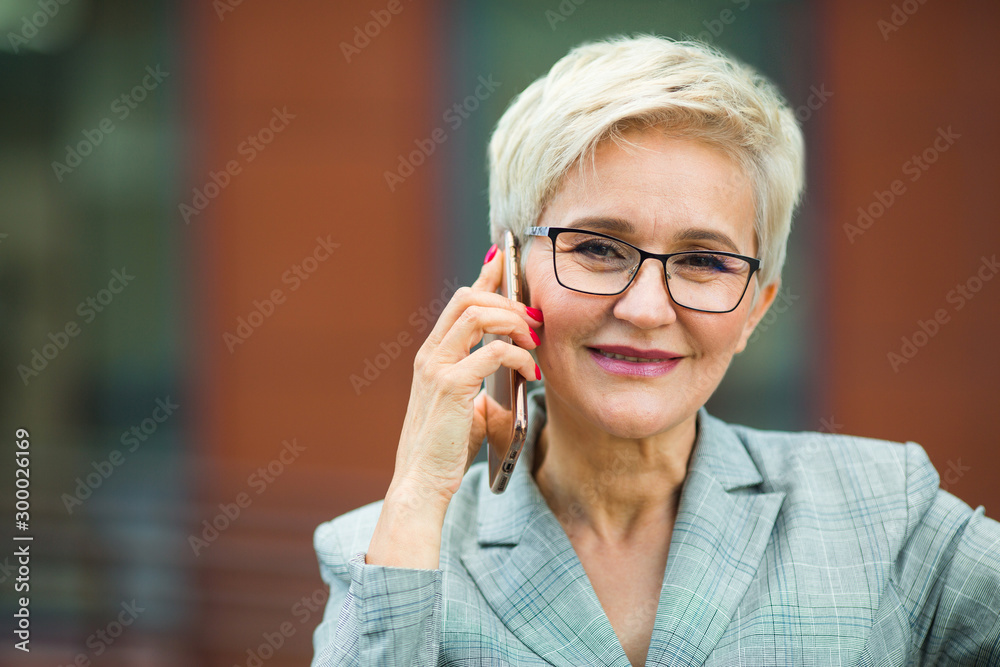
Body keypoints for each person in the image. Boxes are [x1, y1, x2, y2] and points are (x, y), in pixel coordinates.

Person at [310, 35, 1000, 666]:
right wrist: (416, 496)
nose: (645, 309)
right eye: (598, 248)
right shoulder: (385, 551)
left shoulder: (886, 511)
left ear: (755, 309)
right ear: (509, 275)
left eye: (704, 260)